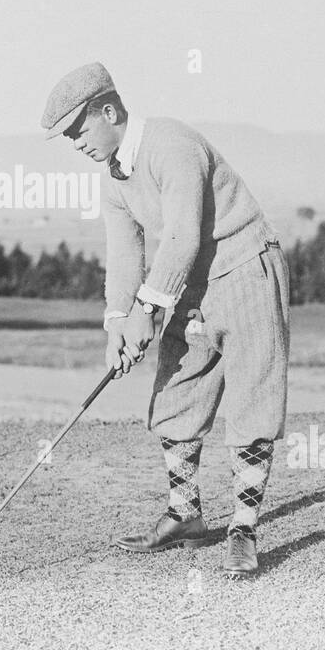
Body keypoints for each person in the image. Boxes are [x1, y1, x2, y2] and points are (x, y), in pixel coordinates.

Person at [41, 62, 291, 577]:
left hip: (245, 267)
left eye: (79, 130)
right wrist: (117, 323)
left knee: (251, 401)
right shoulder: (114, 177)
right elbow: (124, 254)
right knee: (177, 393)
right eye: (69, 137)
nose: (77, 144)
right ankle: (185, 516)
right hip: (193, 285)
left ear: (108, 111)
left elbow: (181, 237)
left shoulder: (171, 144)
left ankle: (243, 529)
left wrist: (147, 312)